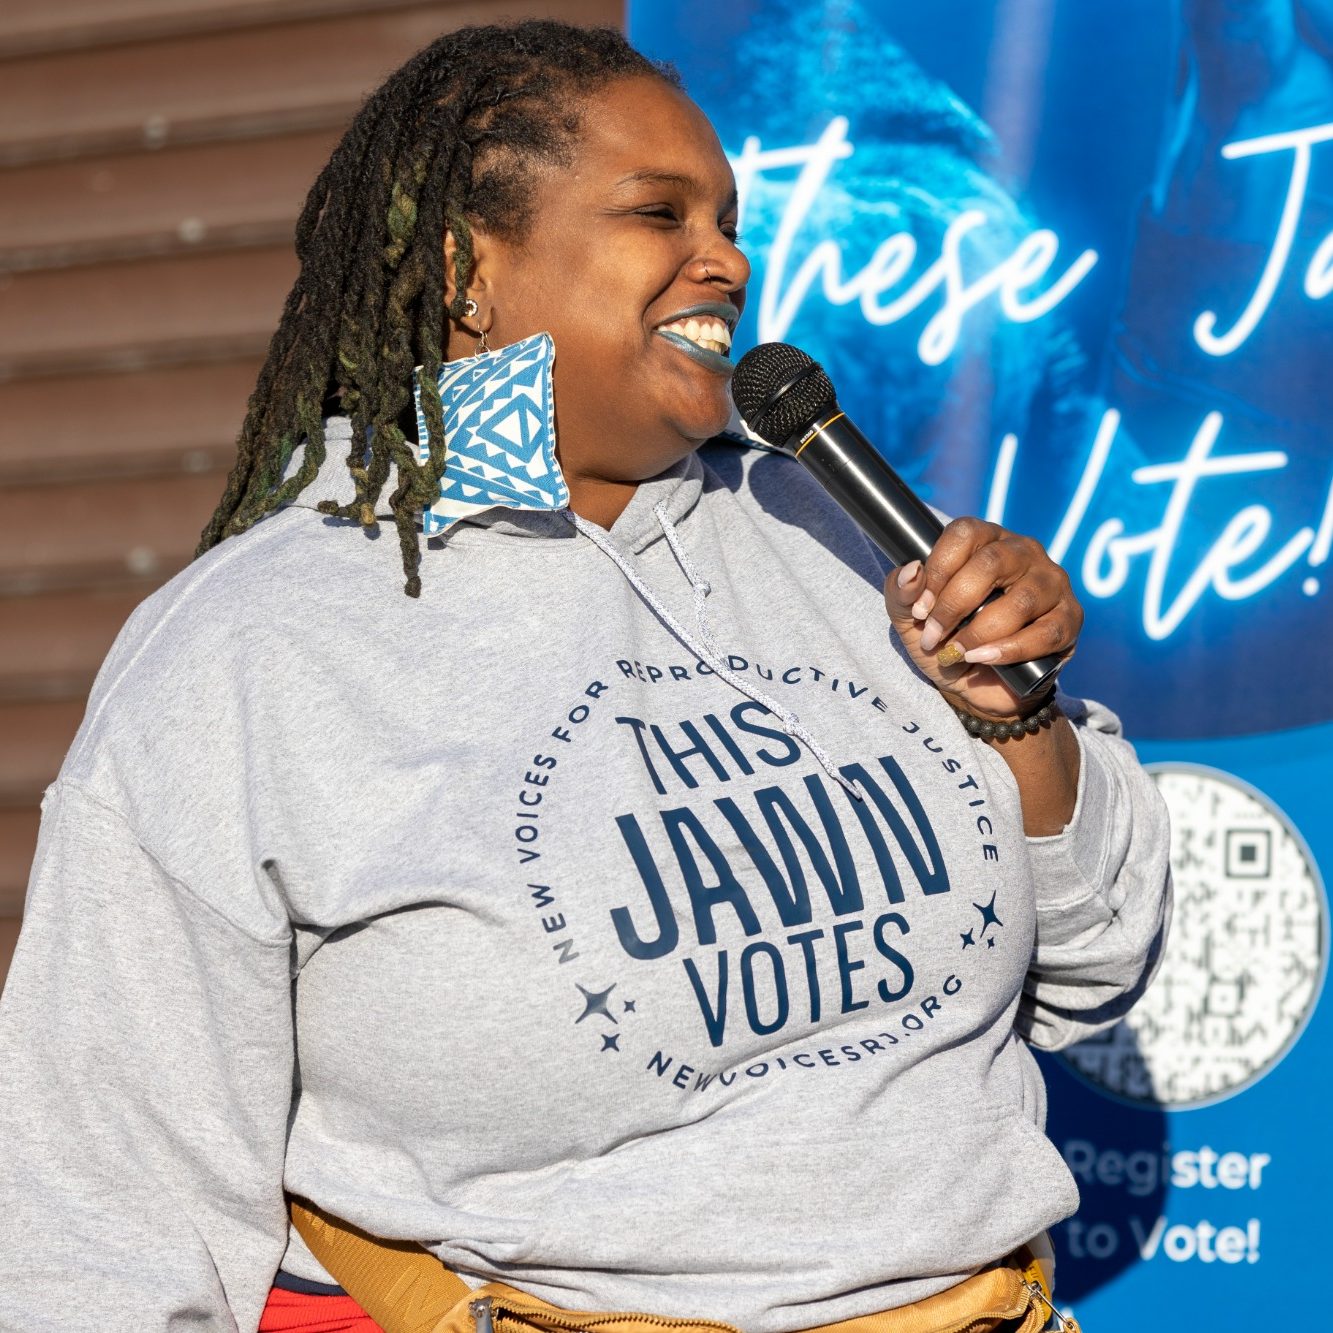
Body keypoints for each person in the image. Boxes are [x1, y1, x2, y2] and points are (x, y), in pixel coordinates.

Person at [0, 20, 1171, 1333]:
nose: (725, 257)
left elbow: (1100, 956)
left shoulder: (832, 529)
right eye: (657, 213)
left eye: (730, 220)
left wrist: (1014, 720)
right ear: (467, 272)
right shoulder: (257, 643)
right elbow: (104, 1213)